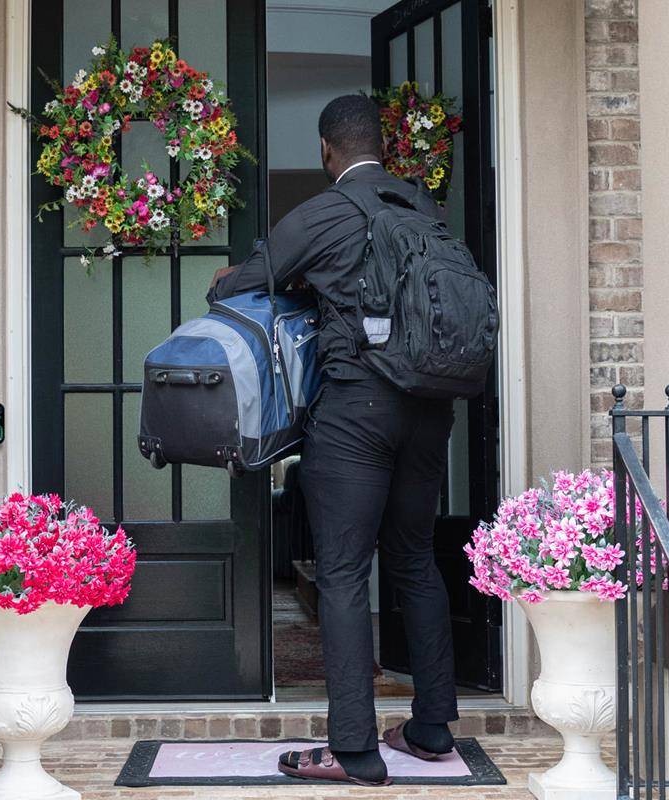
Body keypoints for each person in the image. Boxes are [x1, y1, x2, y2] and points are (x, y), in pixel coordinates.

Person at [208, 94, 458, 787]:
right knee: (413, 559)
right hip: (430, 408)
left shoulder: (328, 211)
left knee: (344, 571)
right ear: (383, 145)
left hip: (357, 409)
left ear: (327, 151)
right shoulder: (423, 212)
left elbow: (246, 282)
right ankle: (432, 728)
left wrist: (227, 278)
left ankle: (352, 750)